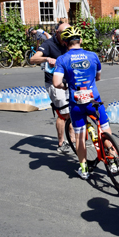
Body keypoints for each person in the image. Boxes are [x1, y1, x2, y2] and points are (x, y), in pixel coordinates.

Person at [52, 25, 116, 180]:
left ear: (66, 43)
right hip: (93, 99)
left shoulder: (62, 59)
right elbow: (98, 77)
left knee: (80, 136)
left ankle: (84, 170)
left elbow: (56, 82)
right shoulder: (93, 55)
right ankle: (114, 162)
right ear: (80, 40)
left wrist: (66, 84)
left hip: (76, 101)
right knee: (105, 129)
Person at [30, 23, 72, 153]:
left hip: (68, 82)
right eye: (64, 36)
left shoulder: (69, 42)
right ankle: (61, 143)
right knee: (63, 113)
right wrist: (47, 58)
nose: (66, 39)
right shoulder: (48, 44)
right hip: (54, 83)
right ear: (57, 33)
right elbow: (33, 59)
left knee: (72, 112)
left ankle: (73, 140)